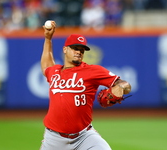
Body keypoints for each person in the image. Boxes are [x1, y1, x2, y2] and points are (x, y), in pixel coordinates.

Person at [40, 21, 131, 150]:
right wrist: (48, 39)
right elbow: (46, 66)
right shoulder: (54, 72)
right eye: (75, 48)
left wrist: (121, 87)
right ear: (65, 49)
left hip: (84, 136)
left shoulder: (92, 71)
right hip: (54, 139)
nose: (79, 52)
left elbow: (125, 84)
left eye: (82, 50)